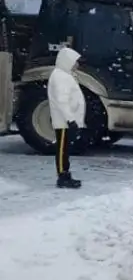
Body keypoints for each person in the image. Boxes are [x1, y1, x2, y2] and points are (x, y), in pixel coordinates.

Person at [48, 46, 86, 189]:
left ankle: (65, 174)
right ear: (67, 61)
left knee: (64, 149)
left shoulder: (64, 75)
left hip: (66, 120)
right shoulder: (60, 77)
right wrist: (70, 119)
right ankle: (63, 177)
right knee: (62, 149)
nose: (77, 64)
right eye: (75, 61)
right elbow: (62, 100)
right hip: (63, 120)